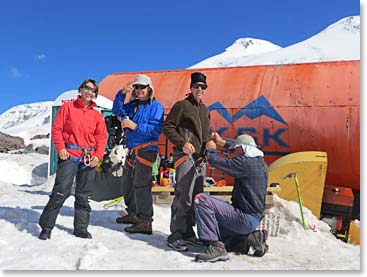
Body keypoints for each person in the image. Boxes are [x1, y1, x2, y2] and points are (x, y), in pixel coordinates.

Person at [38, 79, 107, 240]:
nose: (90, 92)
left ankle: (80, 228)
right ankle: (46, 227)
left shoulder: (96, 115)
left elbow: (102, 137)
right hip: (70, 154)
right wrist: (61, 148)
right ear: (81, 89)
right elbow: (57, 129)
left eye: (93, 90)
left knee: (84, 195)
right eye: (87, 88)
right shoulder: (67, 107)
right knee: (61, 191)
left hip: (89, 157)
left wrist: (98, 156)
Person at [193, 133, 269, 262]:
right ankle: (250, 238)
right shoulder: (260, 162)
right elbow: (241, 146)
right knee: (218, 232)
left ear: (242, 149)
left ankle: (215, 247)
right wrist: (223, 142)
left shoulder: (245, 163)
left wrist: (212, 149)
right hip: (253, 218)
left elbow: (216, 161)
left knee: (201, 200)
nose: (234, 153)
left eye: (235, 149)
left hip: (243, 218)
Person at [163, 72, 211, 251]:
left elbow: (204, 134)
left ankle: (188, 233)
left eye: (203, 87)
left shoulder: (205, 110)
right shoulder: (182, 106)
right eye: (197, 86)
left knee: (196, 198)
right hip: (185, 157)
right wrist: (182, 143)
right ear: (191, 88)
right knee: (183, 196)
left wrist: (208, 145)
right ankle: (175, 235)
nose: (200, 89)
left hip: (199, 159)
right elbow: (168, 127)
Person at [112, 74, 164, 235]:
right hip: (132, 149)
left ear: (149, 89)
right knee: (127, 184)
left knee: (141, 186)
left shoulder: (156, 106)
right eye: (137, 87)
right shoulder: (132, 105)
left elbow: (156, 130)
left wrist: (135, 126)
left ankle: (145, 221)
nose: (139, 90)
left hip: (147, 150)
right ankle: (134, 213)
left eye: (142, 87)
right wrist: (121, 94)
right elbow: (117, 110)